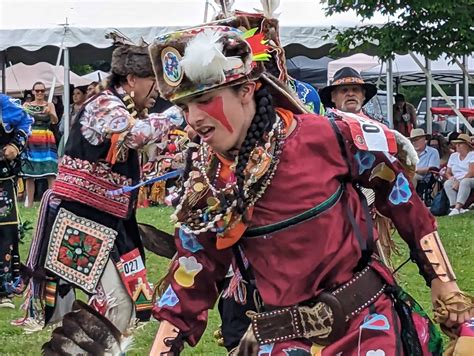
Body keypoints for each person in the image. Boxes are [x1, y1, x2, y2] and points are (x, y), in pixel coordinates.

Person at [148, 25, 472, 355]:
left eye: (203, 100)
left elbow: (401, 198)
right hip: (281, 341)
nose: (193, 119)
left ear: (246, 89)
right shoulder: (207, 182)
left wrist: (444, 284)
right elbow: (192, 275)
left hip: (367, 330)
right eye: (185, 107)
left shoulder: (329, 136)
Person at [20, 38, 171, 354]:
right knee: (116, 302)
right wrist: (183, 111)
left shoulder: (121, 106)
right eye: (152, 81)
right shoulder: (105, 105)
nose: (158, 89)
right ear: (131, 79)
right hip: (83, 219)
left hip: (112, 224)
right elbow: (135, 134)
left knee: (132, 302)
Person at [0, 94, 33, 308]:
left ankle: (4, 288)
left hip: (2, 180)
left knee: (5, 230)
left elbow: (25, 121)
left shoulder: (3, 103)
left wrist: (15, 145)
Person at [21, 81, 58, 207]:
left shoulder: (50, 105)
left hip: (46, 137)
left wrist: (50, 113)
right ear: (33, 92)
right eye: (37, 91)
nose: (40, 93)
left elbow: (55, 121)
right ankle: (29, 202)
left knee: (50, 172)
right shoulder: (26, 105)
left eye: (42, 91)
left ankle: (51, 203)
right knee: (29, 173)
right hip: (31, 138)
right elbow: (22, 121)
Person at [443, 133, 474, 216]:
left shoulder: (472, 155)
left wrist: (460, 181)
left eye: (460, 144)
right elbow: (448, 172)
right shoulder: (453, 156)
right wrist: (451, 178)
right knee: (448, 183)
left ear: (467, 145)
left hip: (470, 178)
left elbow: (471, 172)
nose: (457, 146)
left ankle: (458, 207)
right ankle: (453, 207)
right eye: (456, 144)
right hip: (457, 178)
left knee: (465, 182)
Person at [57, 85, 88, 156]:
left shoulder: (87, 108)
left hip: (80, 140)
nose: (75, 96)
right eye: (73, 94)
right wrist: (65, 117)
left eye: (78, 93)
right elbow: (61, 129)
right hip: (67, 138)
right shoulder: (68, 108)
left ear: (85, 95)